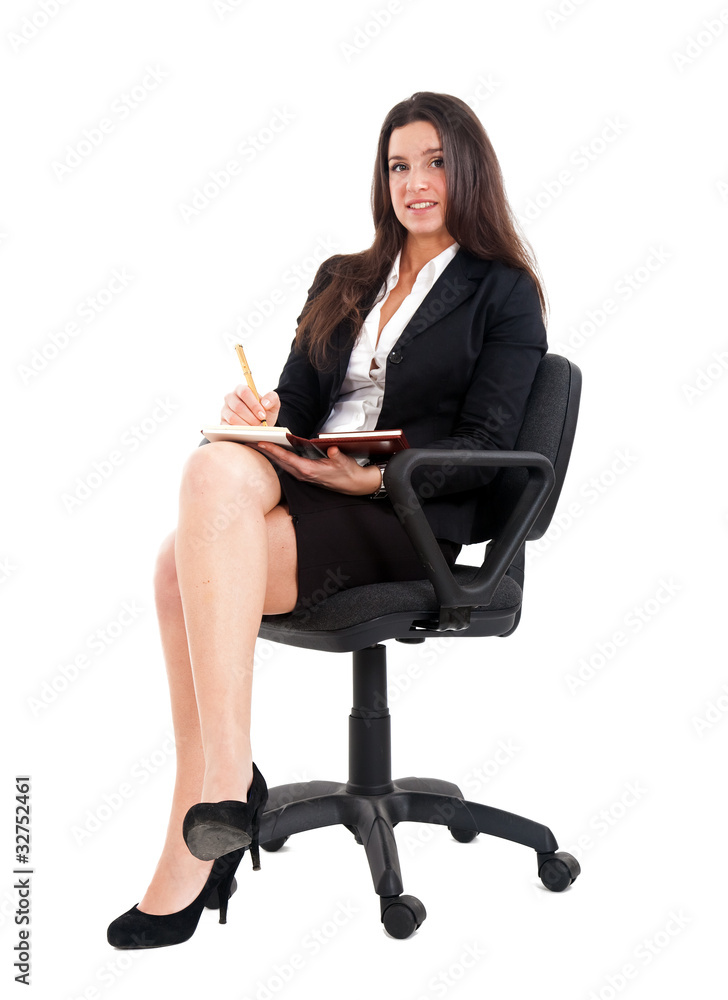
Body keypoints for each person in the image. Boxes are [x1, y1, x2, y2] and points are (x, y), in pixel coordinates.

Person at [107, 91, 548, 949]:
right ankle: (225, 782)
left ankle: (209, 808)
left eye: (433, 163)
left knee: (174, 568)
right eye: (398, 166)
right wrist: (266, 410)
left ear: (468, 171)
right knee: (214, 462)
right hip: (310, 481)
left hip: (407, 511)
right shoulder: (344, 276)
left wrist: (367, 478)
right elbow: (301, 399)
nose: (414, 183)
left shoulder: (504, 291)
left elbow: (487, 440)